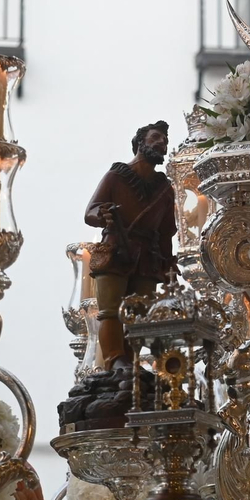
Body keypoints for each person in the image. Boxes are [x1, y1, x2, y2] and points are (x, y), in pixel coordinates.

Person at [85, 121, 177, 367]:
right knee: (111, 310)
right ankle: (115, 361)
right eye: (155, 137)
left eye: (165, 140)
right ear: (139, 142)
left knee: (138, 316)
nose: (161, 143)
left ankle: (132, 365)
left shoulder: (165, 190)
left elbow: (166, 231)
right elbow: (90, 212)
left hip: (148, 256)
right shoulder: (116, 176)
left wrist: (168, 263)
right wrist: (102, 214)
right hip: (116, 248)